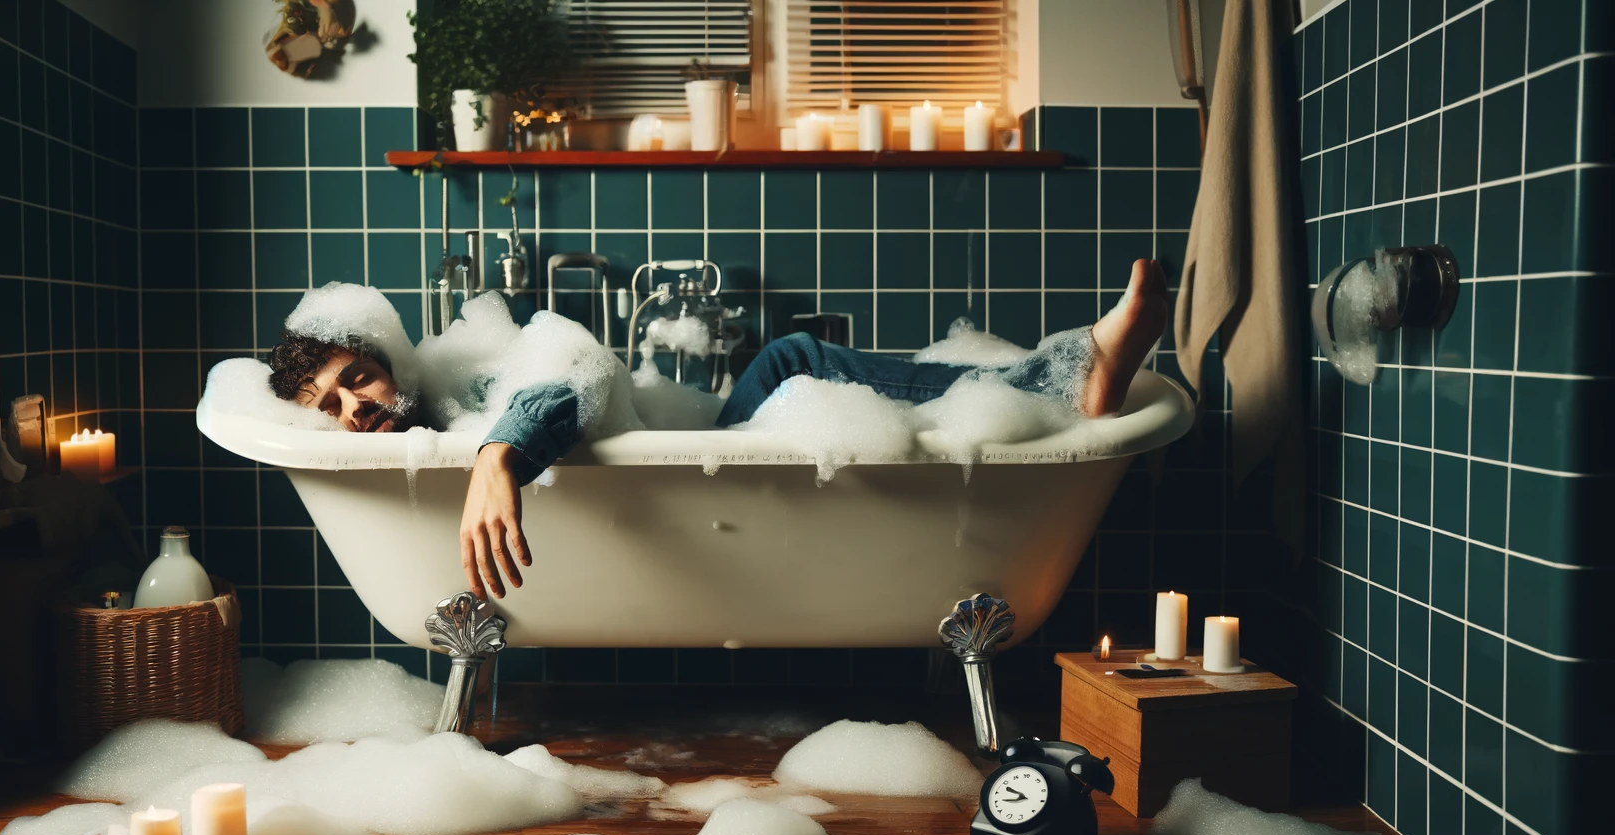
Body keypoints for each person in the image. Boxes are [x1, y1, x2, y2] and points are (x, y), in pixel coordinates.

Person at [268, 259, 1169, 601]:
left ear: (390, 368)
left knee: (788, 360)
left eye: (359, 378)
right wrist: (489, 454)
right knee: (790, 364)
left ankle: (1052, 381)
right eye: (331, 408)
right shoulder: (430, 432)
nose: (356, 408)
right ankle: (1056, 377)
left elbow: (572, 378)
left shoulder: (465, 395)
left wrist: (497, 456)